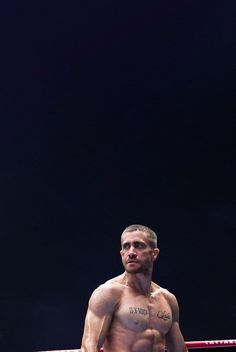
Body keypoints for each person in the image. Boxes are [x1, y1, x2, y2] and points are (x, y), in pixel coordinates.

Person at [80, 224, 188, 352]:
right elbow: (89, 347)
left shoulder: (168, 299)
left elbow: (179, 350)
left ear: (154, 253)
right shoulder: (108, 293)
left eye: (138, 246)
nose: (131, 252)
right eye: (126, 247)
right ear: (121, 254)